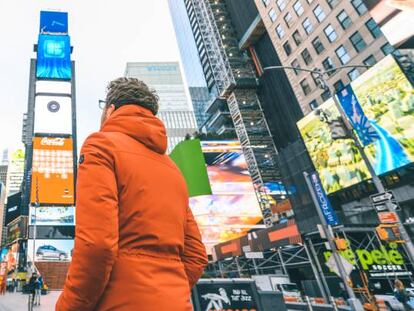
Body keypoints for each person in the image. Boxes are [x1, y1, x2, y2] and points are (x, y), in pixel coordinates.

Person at [56, 77, 208, 311]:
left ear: (111, 110)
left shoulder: (100, 146)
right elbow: (196, 254)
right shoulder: (173, 170)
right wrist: (167, 293)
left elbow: (97, 245)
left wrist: (68, 307)